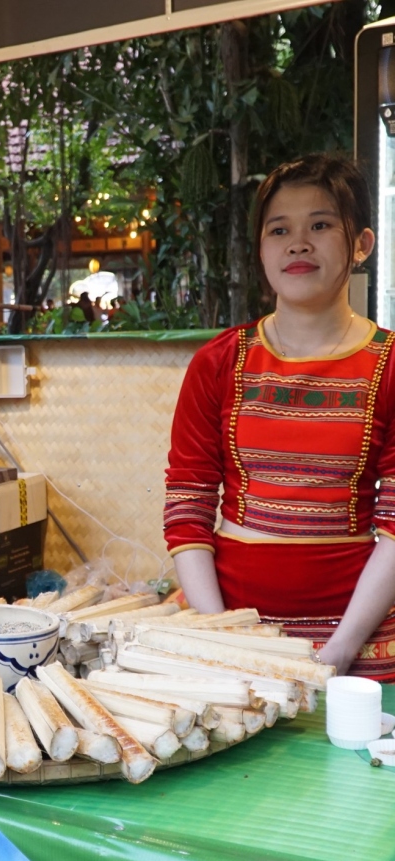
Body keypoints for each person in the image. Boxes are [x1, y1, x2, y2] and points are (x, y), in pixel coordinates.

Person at [164, 153, 395, 680]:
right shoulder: (218, 362)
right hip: (232, 634)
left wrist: (337, 653)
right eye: (279, 229)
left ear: (361, 244)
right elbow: (188, 503)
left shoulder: (391, 365)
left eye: (320, 224)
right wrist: (222, 637)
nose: (298, 243)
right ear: (261, 251)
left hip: (361, 646)